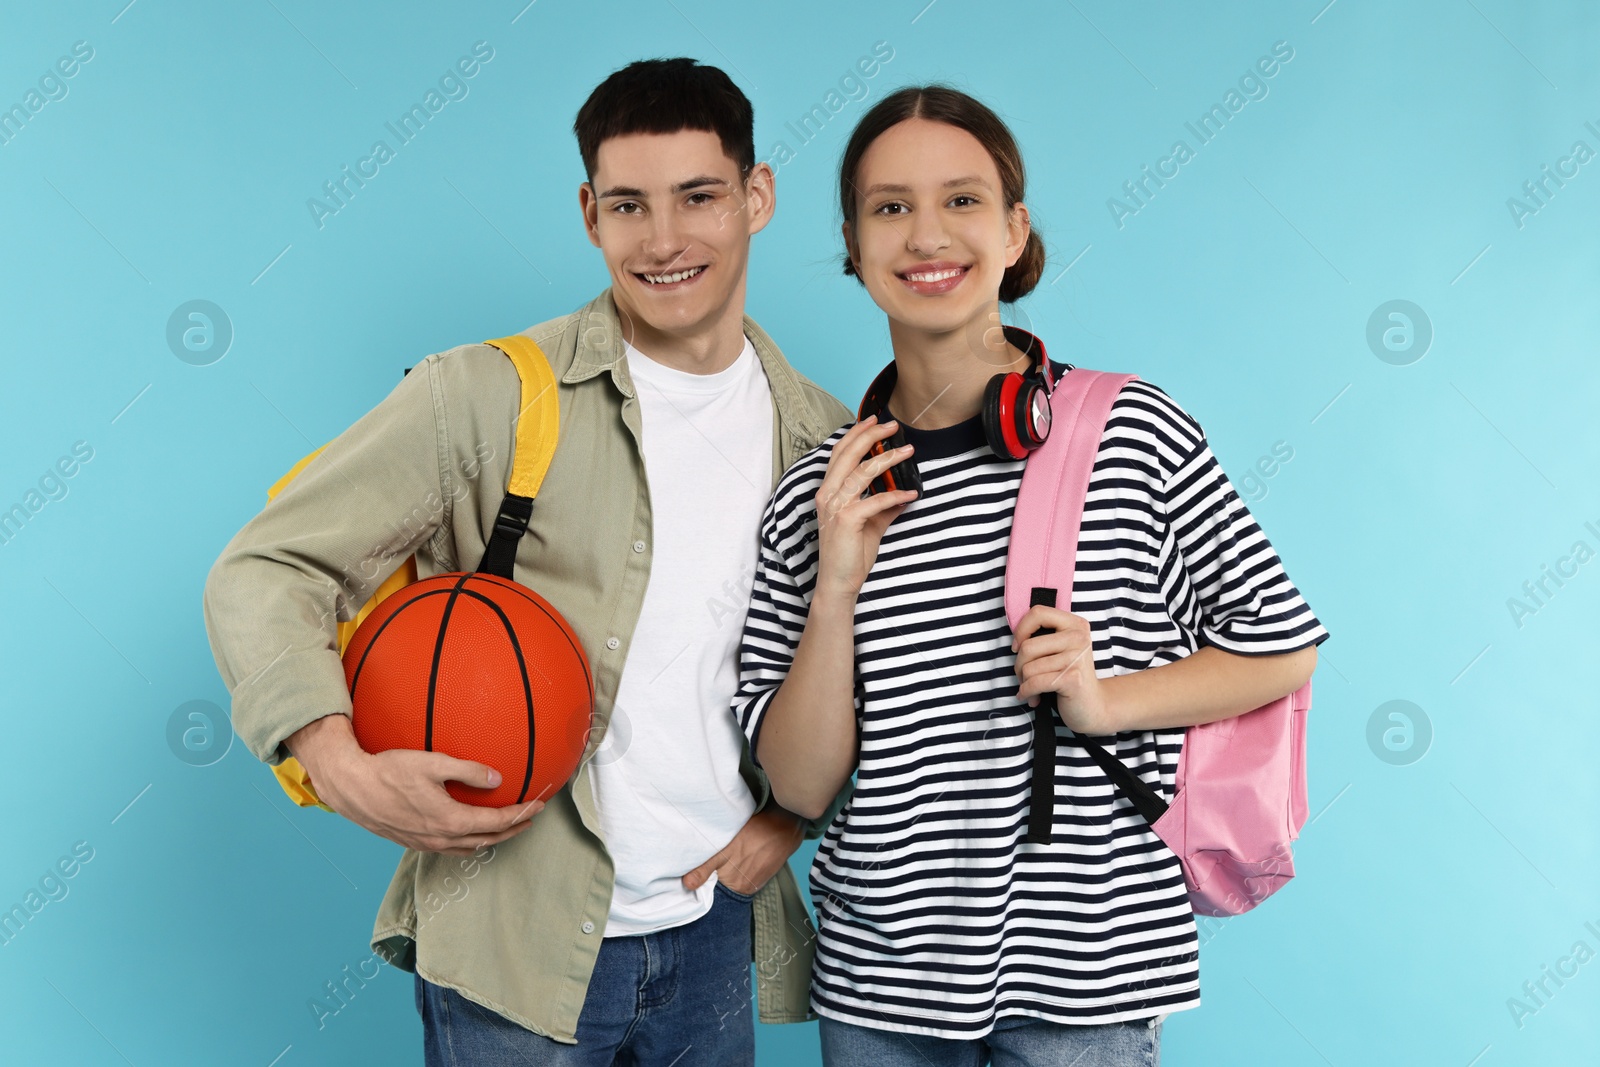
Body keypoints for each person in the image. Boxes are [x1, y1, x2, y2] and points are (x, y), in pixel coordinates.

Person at [203, 58, 852, 1066]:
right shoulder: (487, 396)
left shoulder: (825, 437)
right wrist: (333, 760)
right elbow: (263, 566)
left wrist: (790, 818)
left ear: (756, 197)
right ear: (590, 213)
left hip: (715, 925)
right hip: (516, 929)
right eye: (630, 204)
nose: (666, 238)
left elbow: (860, 668)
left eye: (699, 197)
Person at [732, 85, 1330, 1066]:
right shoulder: (818, 490)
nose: (927, 234)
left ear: (1013, 230)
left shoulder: (1130, 433)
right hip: (880, 986)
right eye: (890, 207)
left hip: (1089, 978)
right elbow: (798, 780)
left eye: (961, 200)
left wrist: (1105, 700)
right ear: (852, 240)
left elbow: (1282, 647)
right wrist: (836, 581)